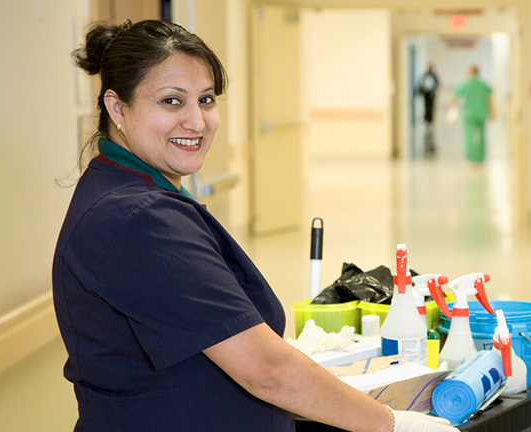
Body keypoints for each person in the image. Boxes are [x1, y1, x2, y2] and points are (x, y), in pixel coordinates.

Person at [53, 19, 458, 432]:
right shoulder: (139, 219)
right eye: (172, 101)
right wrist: (390, 424)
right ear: (117, 108)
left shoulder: (123, 189)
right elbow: (266, 370)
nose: (196, 121)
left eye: (206, 99)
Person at [451, 65, 494, 163]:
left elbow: (455, 96)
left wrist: (452, 110)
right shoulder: (483, 84)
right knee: (482, 134)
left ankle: (471, 157)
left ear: (470, 72)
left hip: (469, 113)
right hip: (482, 112)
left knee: (469, 135)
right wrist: (493, 113)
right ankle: (481, 156)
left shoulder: (466, 84)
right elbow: (490, 99)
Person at [419, 64, 439, 155]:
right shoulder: (425, 76)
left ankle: (430, 120)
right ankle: (427, 120)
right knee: (426, 108)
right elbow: (421, 85)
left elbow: (437, 84)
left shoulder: (434, 76)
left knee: (431, 108)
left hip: (432, 95)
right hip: (426, 95)